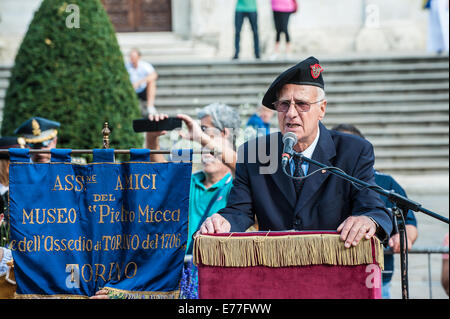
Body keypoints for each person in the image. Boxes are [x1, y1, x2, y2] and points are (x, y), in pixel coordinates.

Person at [198, 56, 393, 252]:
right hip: (276, 267)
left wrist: (368, 220)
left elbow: (373, 207)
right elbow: (239, 211)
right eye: (284, 104)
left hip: (333, 266)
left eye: (302, 104)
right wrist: (222, 222)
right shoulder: (254, 152)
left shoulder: (352, 151)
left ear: (322, 109)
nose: (291, 113)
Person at [92, 103, 241, 299]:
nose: (204, 148)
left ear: (225, 134)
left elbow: (249, 171)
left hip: (219, 283)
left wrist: (202, 138)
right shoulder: (191, 180)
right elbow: (161, 176)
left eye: (207, 134)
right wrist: (152, 138)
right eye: (201, 141)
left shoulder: (239, 186)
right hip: (178, 279)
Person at [332, 123, 419, 299]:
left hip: (376, 275)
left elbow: (408, 222)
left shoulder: (387, 183)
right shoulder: (323, 179)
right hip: (334, 272)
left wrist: (404, 238)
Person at [125, 48, 159, 116]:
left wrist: (139, 83)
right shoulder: (126, 66)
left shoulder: (145, 65)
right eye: (131, 57)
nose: (132, 58)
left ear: (139, 57)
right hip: (130, 90)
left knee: (152, 83)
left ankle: (150, 106)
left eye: (134, 57)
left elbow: (154, 75)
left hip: (143, 90)